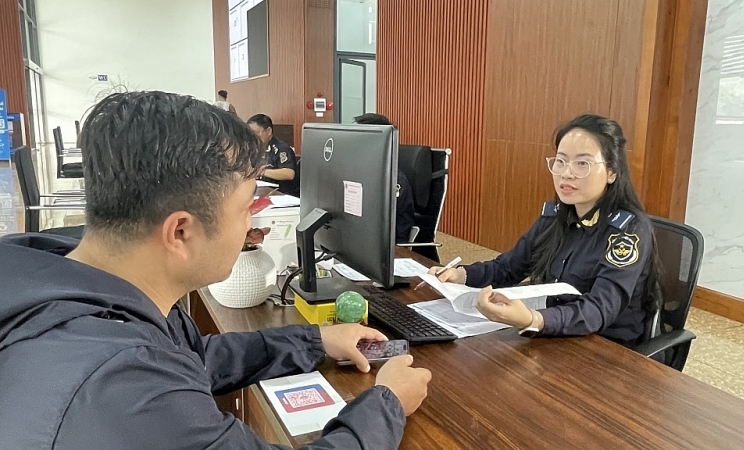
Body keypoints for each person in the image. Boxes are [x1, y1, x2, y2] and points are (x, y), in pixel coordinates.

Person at [0, 91, 431, 449]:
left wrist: (316, 338)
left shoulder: (73, 279)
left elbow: (193, 359)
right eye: (246, 208)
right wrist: (387, 401)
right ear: (180, 232)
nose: (253, 223)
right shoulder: (122, 390)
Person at [430, 114, 660, 347]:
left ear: (612, 172)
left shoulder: (628, 230)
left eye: (582, 163)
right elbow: (510, 267)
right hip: (556, 334)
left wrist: (534, 320)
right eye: (561, 161)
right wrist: (462, 275)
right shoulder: (556, 215)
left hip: (607, 348)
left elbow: (599, 309)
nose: (567, 173)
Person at [353, 113, 415, 243]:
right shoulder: (361, 171)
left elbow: (376, 221)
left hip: (388, 247)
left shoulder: (394, 180)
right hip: (360, 240)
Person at [248, 113, 300, 196]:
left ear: (268, 131)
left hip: (283, 195)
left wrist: (262, 172)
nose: (253, 137)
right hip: (263, 193)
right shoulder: (254, 149)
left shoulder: (282, 148)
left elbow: (289, 174)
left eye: (256, 133)